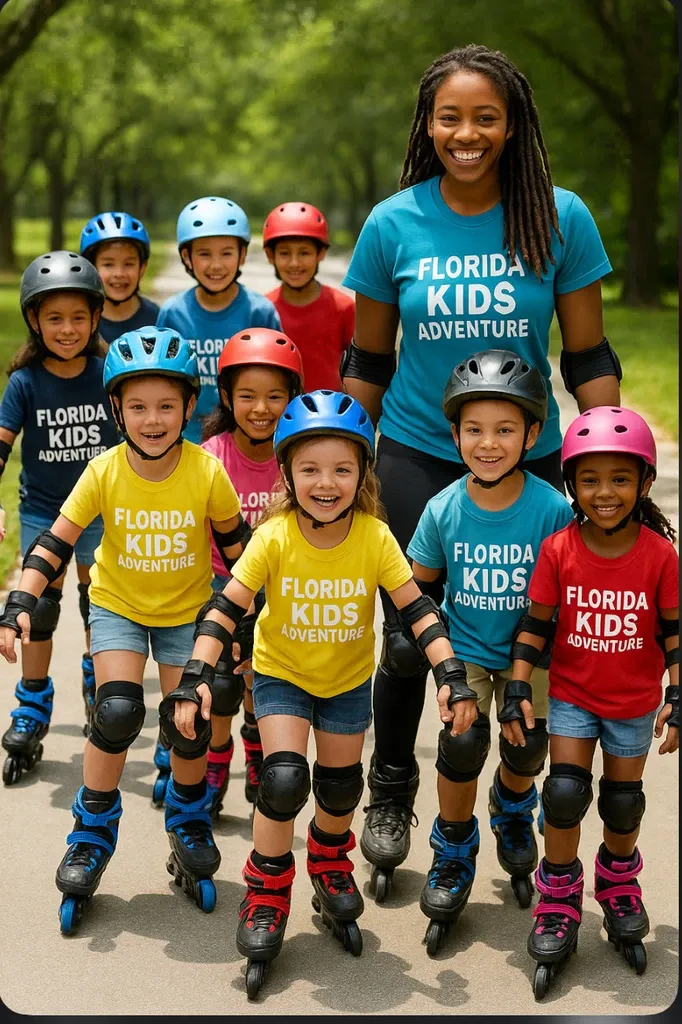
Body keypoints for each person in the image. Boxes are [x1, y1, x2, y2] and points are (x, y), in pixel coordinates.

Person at [341, 43, 621, 886]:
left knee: (527, 632)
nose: (467, 133)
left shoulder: (559, 216)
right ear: (428, 123)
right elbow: (368, 360)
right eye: (451, 117)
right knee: (405, 637)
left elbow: (587, 354)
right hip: (419, 455)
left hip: (528, 457)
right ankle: (391, 790)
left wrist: (603, 451)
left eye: (485, 117)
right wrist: (345, 463)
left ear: (513, 124)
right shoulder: (394, 223)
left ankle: (512, 787)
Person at [164, 389, 479, 999]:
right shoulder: (275, 535)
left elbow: (418, 611)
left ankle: (330, 864)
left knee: (339, 788)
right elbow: (225, 609)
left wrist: (451, 675)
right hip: (281, 675)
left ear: (363, 472)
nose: (325, 482)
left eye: (341, 469)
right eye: (310, 469)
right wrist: (195, 678)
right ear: (287, 472)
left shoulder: (376, 538)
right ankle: (266, 893)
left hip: (344, 683)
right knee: (282, 783)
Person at [0, 326, 251, 933]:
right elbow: (54, 543)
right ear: (117, 409)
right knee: (114, 713)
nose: (153, 419)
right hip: (115, 606)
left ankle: (187, 820)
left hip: (185, 613)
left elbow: (240, 555)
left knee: (191, 721)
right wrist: (18, 603)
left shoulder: (207, 473)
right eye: (137, 406)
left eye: (167, 405)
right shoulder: (104, 470)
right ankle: (90, 834)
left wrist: (244, 632)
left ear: (191, 406)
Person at [504, 406, 678, 998]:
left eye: (621, 479)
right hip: (574, 695)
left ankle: (618, 886)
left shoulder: (660, 555)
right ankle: (557, 900)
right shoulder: (558, 549)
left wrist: (677, 694)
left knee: (623, 803)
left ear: (645, 483)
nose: (605, 493)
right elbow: (535, 624)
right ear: (572, 484)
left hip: (633, 701)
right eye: (591, 480)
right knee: (564, 793)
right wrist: (519, 685)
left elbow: (674, 632)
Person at [403, 349, 573, 950]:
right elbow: (418, 595)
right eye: (474, 429)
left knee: (528, 750)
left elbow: (559, 598)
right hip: (466, 650)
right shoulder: (442, 508)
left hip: (535, 653)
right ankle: (452, 847)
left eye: (505, 430)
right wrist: (443, 671)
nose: (489, 443)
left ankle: (512, 802)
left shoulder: (551, 508)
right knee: (463, 740)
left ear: (532, 433)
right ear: (454, 434)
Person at [153, 326, 303, 815]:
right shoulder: (211, 456)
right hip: (219, 587)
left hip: (278, 592)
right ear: (226, 397)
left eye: (275, 396)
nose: (261, 408)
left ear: (293, 398)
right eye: (248, 396)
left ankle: (258, 753)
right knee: (218, 685)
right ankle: (217, 758)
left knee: (263, 682)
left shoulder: (298, 460)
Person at [0, 252, 119, 782]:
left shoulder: (108, 375)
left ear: (95, 318)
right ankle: (30, 708)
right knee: (39, 610)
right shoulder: (24, 383)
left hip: (100, 512)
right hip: (45, 511)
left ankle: (99, 688)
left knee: (99, 603)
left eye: (77, 317)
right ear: (34, 321)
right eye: (54, 318)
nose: (67, 329)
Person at [156, 196, 281, 443]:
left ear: (242, 255)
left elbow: (279, 380)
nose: (216, 265)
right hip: (186, 441)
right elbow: (162, 383)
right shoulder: (173, 313)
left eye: (226, 253)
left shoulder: (259, 312)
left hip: (246, 441)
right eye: (204, 254)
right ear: (186, 256)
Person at [263, 202, 354, 391]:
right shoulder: (263, 309)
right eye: (284, 253)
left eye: (304, 253)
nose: (295, 263)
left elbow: (357, 370)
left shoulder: (344, 307)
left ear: (320, 253)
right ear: (270, 255)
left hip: (332, 414)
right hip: (280, 414)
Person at [80, 211, 159, 344]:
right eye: (108, 264)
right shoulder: (80, 323)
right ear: (92, 268)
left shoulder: (158, 320)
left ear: (142, 268)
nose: (119, 273)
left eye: (129, 264)